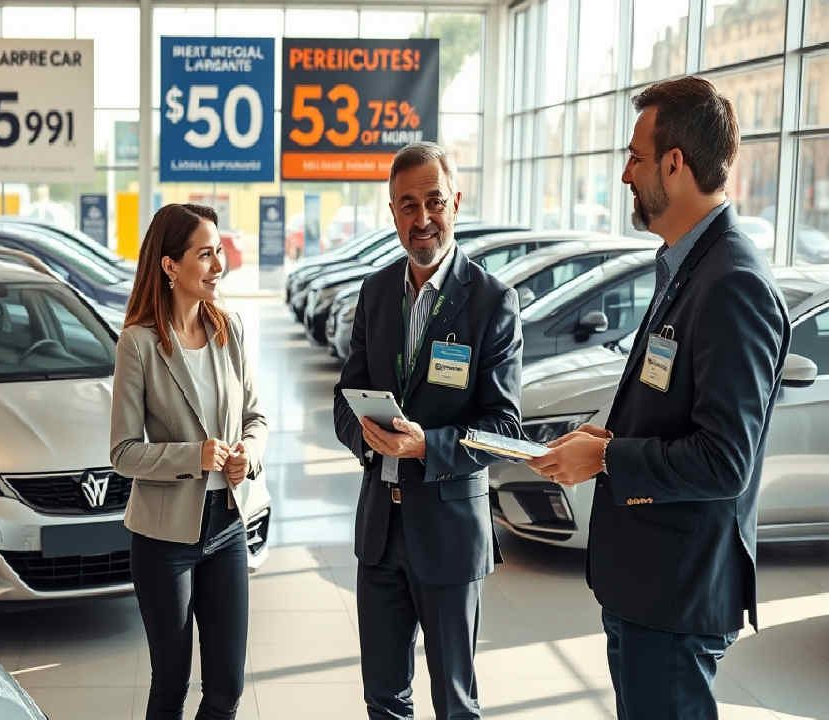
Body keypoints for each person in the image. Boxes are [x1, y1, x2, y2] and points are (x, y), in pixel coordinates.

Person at [526, 76, 790, 720]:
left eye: (634, 157)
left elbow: (725, 461)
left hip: (677, 594)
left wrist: (607, 459)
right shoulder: (686, 264)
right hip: (649, 586)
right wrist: (608, 440)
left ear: (674, 164)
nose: (624, 175)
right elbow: (674, 408)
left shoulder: (733, 283)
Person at [332, 142, 523, 719]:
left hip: (448, 535)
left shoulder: (491, 301)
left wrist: (427, 445)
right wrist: (363, 435)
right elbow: (344, 401)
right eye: (408, 205)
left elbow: (503, 426)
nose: (422, 219)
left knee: (454, 704)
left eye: (434, 202)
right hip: (380, 532)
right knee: (383, 699)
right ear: (392, 212)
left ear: (455, 202)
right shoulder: (375, 292)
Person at [110, 203, 268, 720]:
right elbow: (122, 452)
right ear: (170, 265)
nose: (219, 265)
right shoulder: (138, 344)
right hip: (163, 539)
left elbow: (256, 418)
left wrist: (249, 455)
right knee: (171, 684)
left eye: (219, 251)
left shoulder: (230, 330)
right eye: (205, 254)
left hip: (227, 526)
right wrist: (194, 457)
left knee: (227, 688)